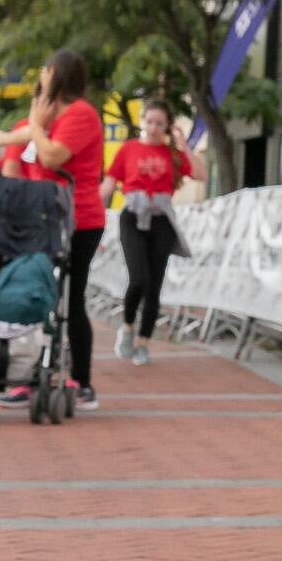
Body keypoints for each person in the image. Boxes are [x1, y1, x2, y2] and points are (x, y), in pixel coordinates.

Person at [0, 49, 108, 410]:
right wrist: (4, 139)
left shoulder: (81, 114)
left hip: (78, 220)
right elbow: (18, 147)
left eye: (45, 69)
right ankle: (27, 376)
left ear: (59, 74)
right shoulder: (43, 116)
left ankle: (80, 381)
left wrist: (34, 127)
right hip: (38, 219)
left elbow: (53, 155)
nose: (41, 74)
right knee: (35, 294)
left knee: (69, 299)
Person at [101, 99, 193, 366]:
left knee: (154, 285)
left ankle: (143, 343)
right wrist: (88, 209)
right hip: (132, 216)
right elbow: (107, 186)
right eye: (149, 121)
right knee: (138, 278)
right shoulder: (127, 149)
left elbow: (198, 172)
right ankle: (128, 326)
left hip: (161, 219)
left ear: (167, 126)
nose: (153, 128)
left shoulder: (173, 154)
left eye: (160, 123)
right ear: (142, 121)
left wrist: (182, 145)